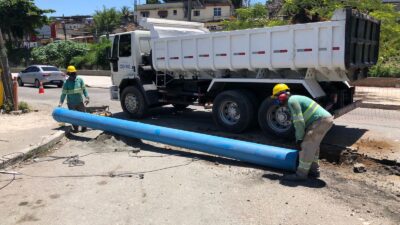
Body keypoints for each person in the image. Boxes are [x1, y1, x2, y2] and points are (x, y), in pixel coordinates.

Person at [271, 83, 334, 181]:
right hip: (324, 120)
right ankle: (314, 171)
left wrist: (299, 139)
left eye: (277, 97)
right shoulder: (294, 99)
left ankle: (301, 175)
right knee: (313, 146)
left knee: (306, 145)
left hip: (320, 121)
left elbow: (299, 122)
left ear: (283, 95)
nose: (277, 100)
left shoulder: (292, 101)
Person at [58, 65, 90, 132]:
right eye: (71, 74)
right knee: (73, 117)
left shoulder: (80, 80)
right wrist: (60, 103)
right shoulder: (66, 83)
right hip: (71, 103)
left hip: (80, 102)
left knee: (83, 116)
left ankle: (84, 128)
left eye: (74, 73)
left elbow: (84, 89)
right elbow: (63, 94)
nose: (73, 75)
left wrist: (87, 97)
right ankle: (76, 129)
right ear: (69, 74)